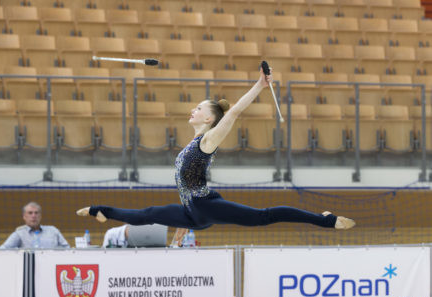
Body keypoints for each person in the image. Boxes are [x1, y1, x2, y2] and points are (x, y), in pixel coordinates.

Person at [77, 65, 355, 231]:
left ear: (209, 118)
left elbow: (232, 114)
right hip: (191, 212)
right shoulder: (192, 143)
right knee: (150, 213)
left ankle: (325, 221)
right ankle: (100, 210)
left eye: (198, 108)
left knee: (264, 217)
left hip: (204, 206)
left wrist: (260, 84)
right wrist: (183, 229)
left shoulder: (207, 140)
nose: (192, 110)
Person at [0, 202, 70, 249]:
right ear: (24, 216)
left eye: (36, 213)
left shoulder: (53, 231)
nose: (34, 216)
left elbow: (67, 249)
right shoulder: (20, 233)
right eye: (30, 213)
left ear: (40, 216)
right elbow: (2, 250)